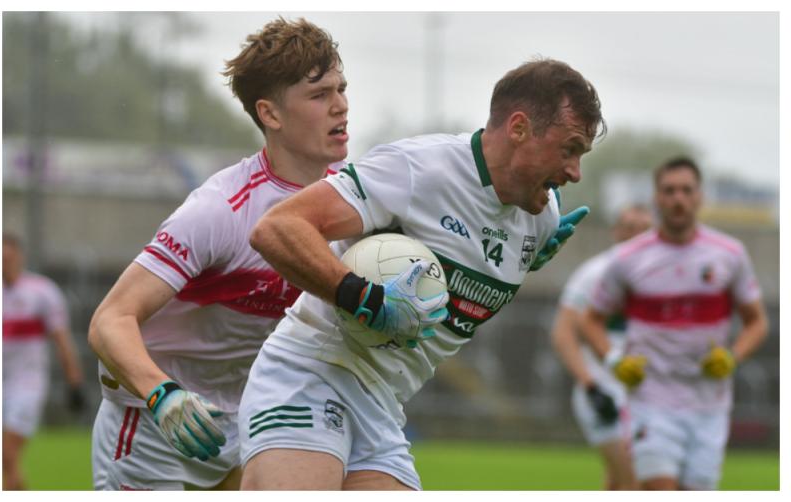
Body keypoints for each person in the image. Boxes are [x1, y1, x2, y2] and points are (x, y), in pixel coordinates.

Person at [239, 57, 604, 490]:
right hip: (310, 374)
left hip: (382, 406)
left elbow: (482, 245)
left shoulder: (540, 218)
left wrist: (533, 254)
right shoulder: (420, 170)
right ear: (519, 128)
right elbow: (278, 228)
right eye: (569, 149)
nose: (574, 173)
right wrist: (361, 297)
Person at [87, 17, 349, 490]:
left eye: (341, 89)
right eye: (319, 95)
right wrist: (162, 396)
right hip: (157, 431)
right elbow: (111, 319)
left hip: (254, 421)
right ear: (270, 114)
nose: (341, 107)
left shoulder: (355, 196)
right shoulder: (220, 209)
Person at [581, 157, 768, 490]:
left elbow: (756, 322)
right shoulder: (627, 258)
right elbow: (590, 321)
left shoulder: (730, 254)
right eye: (669, 191)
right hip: (650, 401)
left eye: (686, 190)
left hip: (708, 404)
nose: (678, 198)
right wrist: (614, 360)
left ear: (699, 197)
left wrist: (733, 357)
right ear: (656, 197)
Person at [550, 204, 652, 490]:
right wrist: (591, 386)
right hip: (604, 392)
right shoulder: (594, 274)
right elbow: (563, 334)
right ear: (616, 232)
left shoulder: (661, 278)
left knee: (620, 485)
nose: (637, 238)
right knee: (635, 481)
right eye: (630, 229)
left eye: (645, 230)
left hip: (646, 396)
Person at [2, 233, 85, 490]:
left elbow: (62, 340)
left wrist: (75, 383)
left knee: (5, 455)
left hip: (27, 384)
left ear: (19, 256)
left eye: (8, 257)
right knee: (8, 464)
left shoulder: (42, 291)